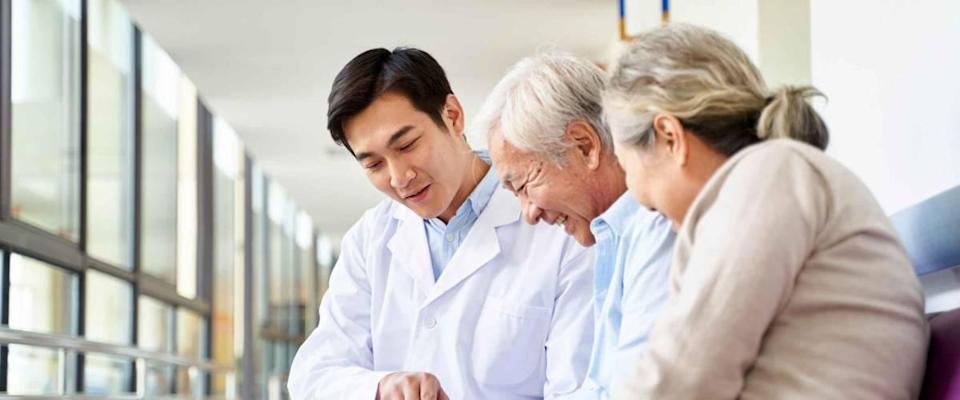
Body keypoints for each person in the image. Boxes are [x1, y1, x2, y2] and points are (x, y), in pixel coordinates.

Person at [603, 24, 928, 399]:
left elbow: (682, 376)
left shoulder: (770, 174)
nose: (654, 215)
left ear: (670, 137)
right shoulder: (771, 178)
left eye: (653, 204)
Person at [287, 47, 595, 400]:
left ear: (452, 115)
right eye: (374, 165)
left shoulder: (557, 223)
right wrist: (381, 387)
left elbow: (578, 387)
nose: (400, 178)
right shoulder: (370, 240)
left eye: (407, 145)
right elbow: (313, 376)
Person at [476, 51, 675, 399]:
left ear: (585, 145)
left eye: (524, 185)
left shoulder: (658, 227)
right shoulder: (615, 239)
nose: (529, 214)